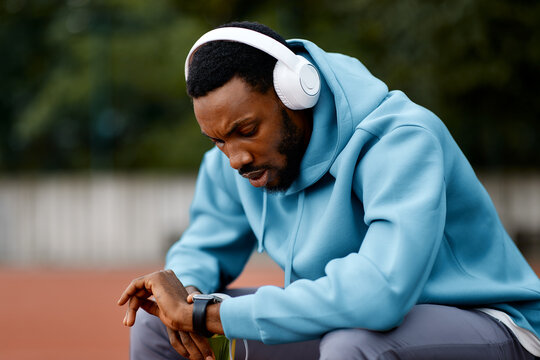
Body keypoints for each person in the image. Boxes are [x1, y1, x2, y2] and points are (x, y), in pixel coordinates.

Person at [118, 21, 540, 360]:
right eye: (218, 140)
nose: (235, 158)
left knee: (354, 343)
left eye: (246, 131)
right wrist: (185, 293)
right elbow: (201, 247)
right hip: (349, 320)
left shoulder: (401, 140)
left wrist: (209, 314)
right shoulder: (236, 164)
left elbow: (379, 293)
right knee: (160, 329)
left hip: (489, 324)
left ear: (296, 93)